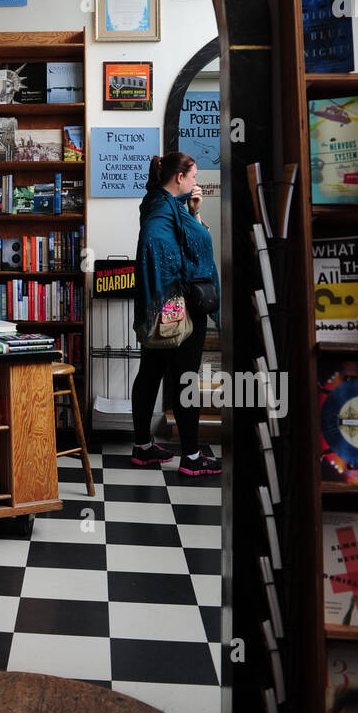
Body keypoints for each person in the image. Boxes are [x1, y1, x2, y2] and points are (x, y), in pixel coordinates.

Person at [131, 151, 221, 477]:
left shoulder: (167, 205)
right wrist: (178, 284)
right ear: (179, 178)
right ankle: (192, 457)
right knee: (185, 380)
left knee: (151, 373)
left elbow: (179, 239)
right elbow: (155, 246)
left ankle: (142, 447)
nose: (197, 182)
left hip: (164, 305)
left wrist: (194, 213)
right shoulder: (161, 209)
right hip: (179, 307)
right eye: (194, 176)